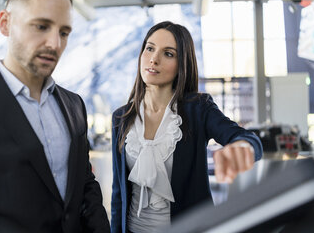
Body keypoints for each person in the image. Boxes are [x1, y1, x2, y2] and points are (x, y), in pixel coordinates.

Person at [0, 0, 110, 232]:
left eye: (64, 32)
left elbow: (85, 186)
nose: (54, 43)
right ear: (5, 23)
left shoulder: (74, 106)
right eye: (41, 26)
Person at [111, 21, 263, 233]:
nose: (154, 59)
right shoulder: (121, 117)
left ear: (182, 64)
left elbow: (246, 137)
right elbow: (118, 193)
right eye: (150, 48)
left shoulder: (198, 108)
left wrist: (243, 147)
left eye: (168, 54)